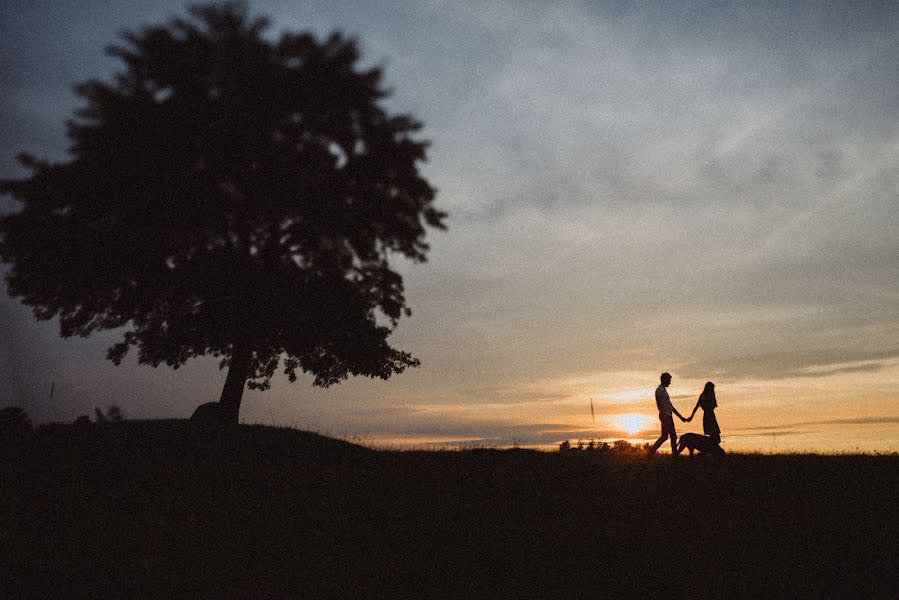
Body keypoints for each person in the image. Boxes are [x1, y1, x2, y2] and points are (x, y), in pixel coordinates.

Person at [647, 372, 687, 457]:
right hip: (666, 416)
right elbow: (660, 405)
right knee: (673, 436)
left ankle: (650, 454)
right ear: (664, 379)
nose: (670, 382)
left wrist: (680, 417)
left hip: (667, 416)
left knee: (665, 436)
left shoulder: (663, 391)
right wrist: (664, 417)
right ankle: (675, 456)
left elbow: (670, 406)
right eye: (669, 380)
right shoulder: (659, 390)